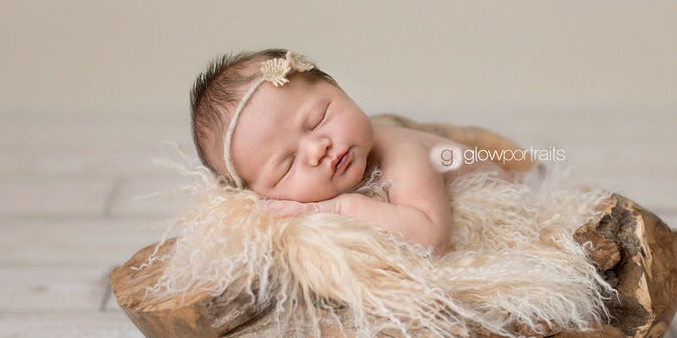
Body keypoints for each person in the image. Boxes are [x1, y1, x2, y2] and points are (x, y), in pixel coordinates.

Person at [190, 49, 510, 256]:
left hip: (510, 187)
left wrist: (340, 207)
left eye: (317, 119)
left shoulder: (402, 155)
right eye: (287, 166)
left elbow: (431, 239)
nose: (317, 149)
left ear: (338, 88)